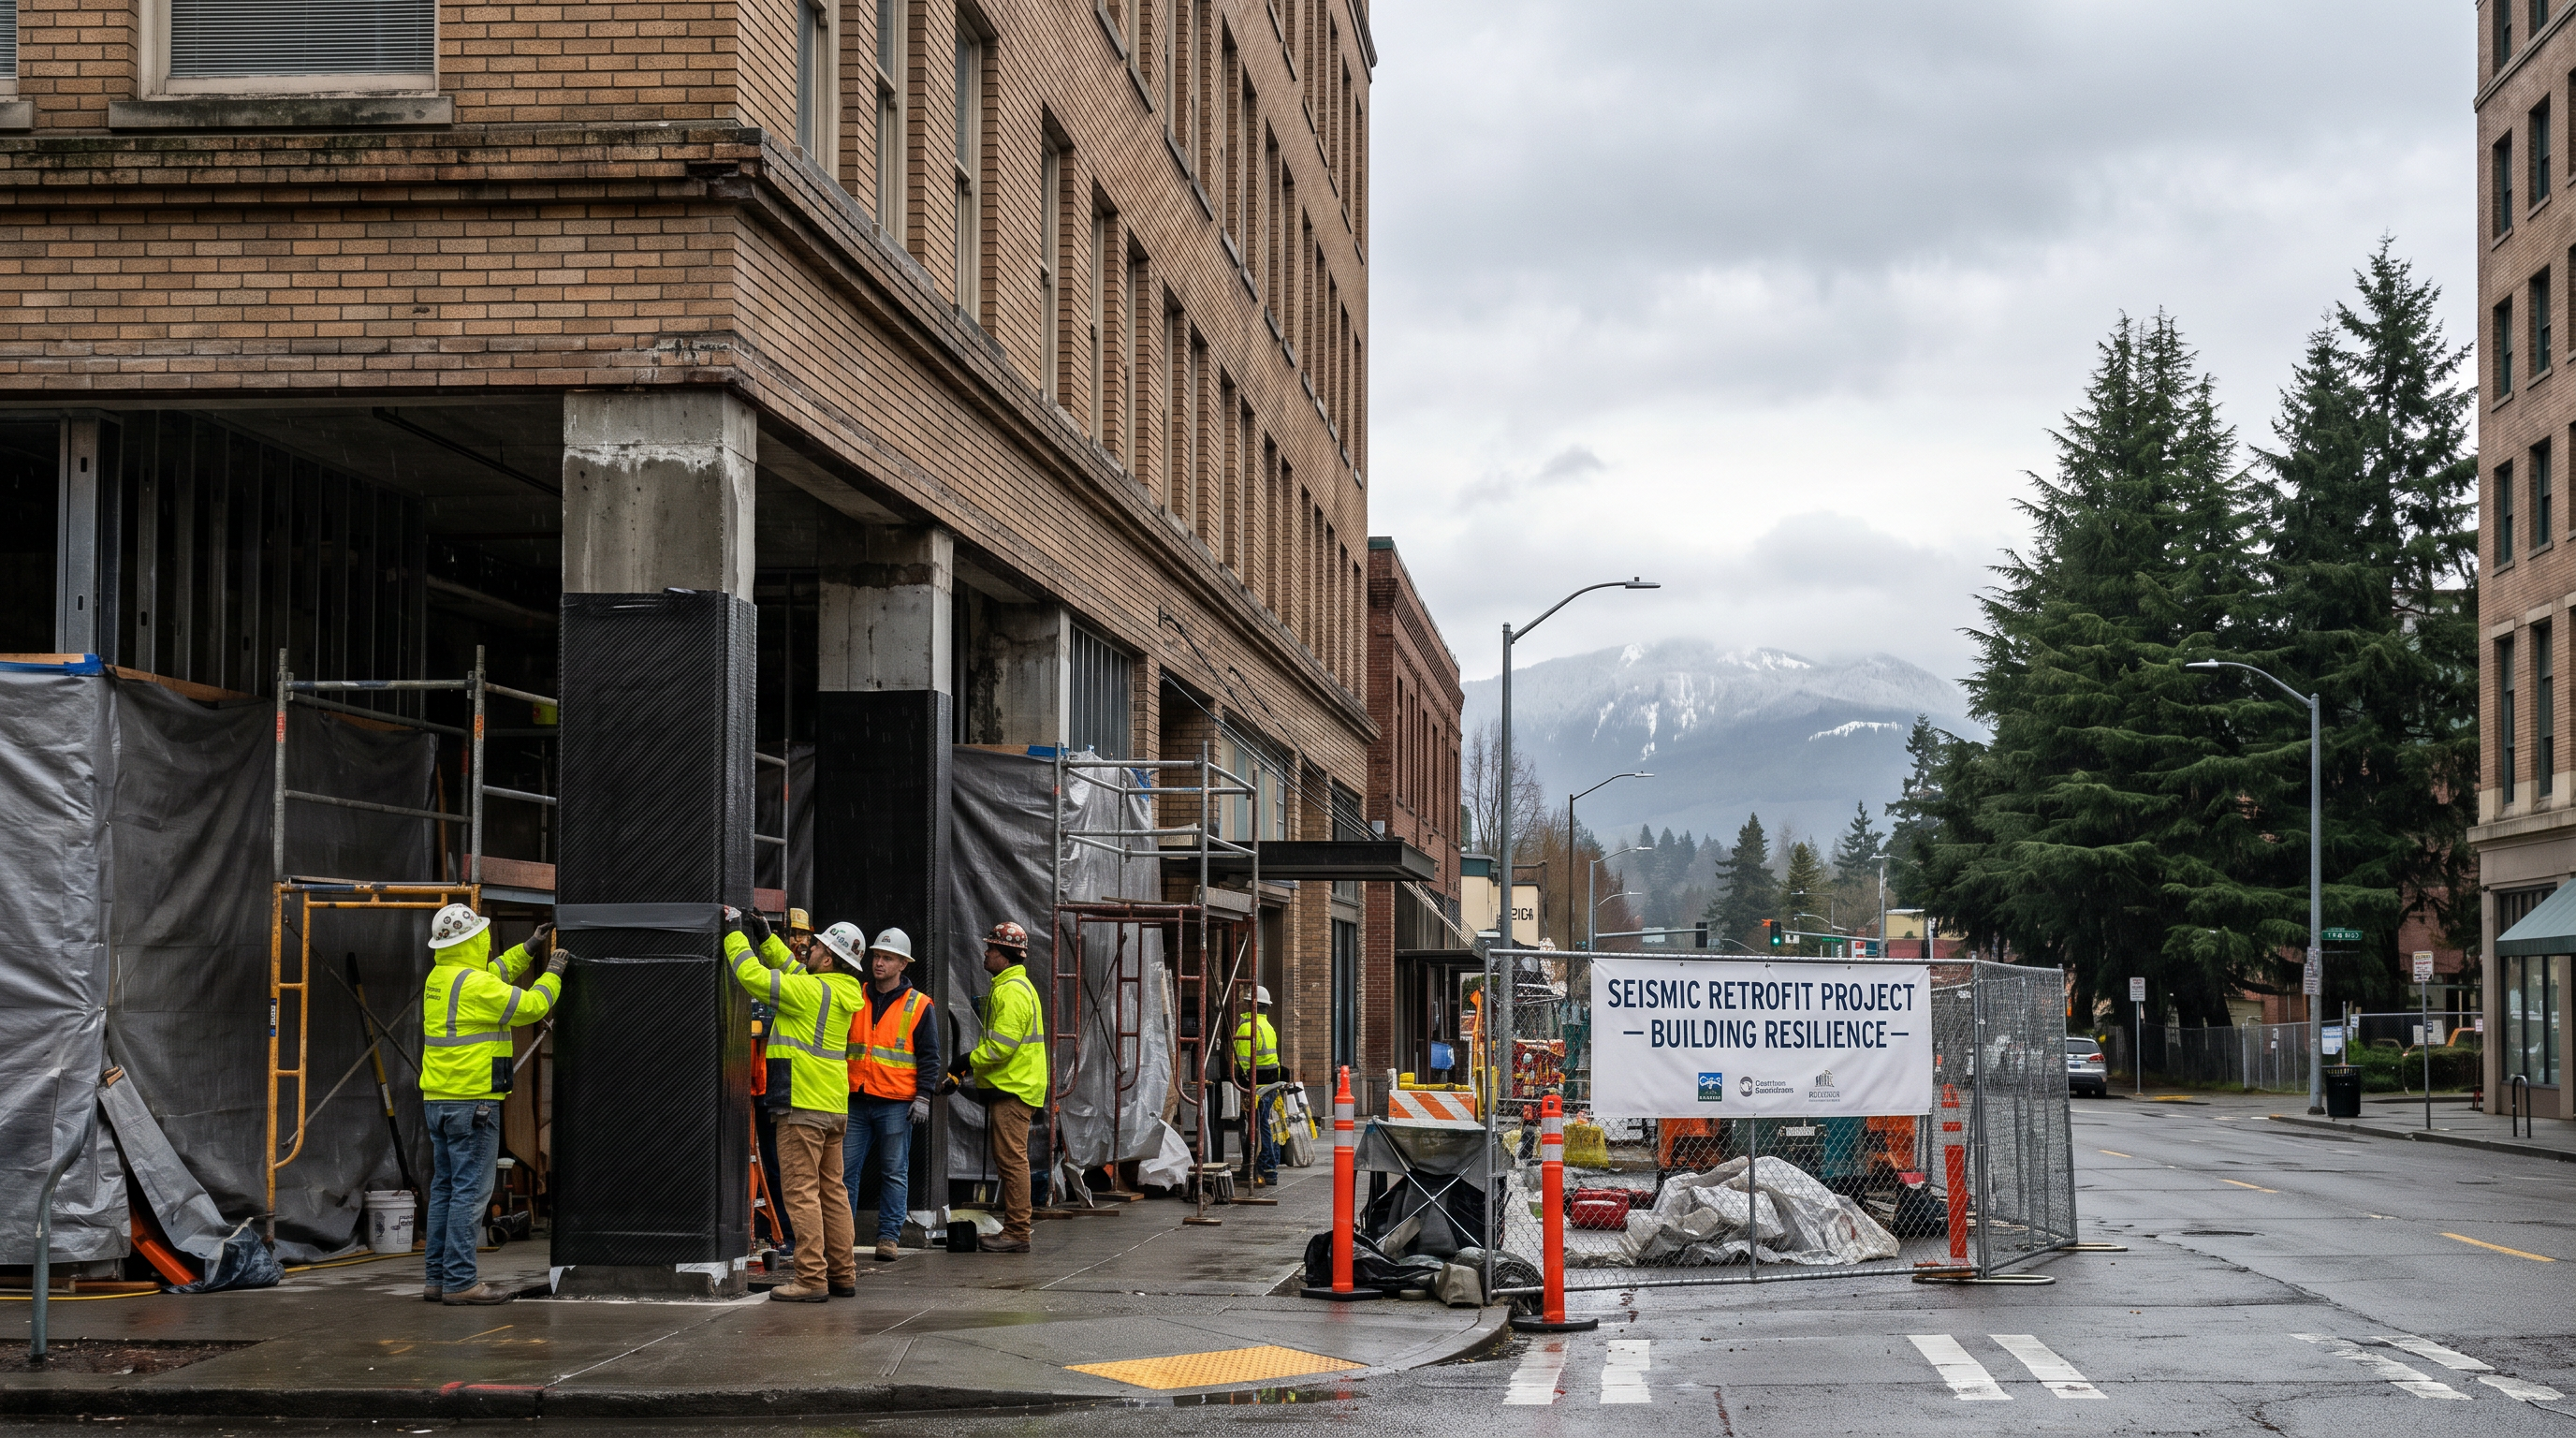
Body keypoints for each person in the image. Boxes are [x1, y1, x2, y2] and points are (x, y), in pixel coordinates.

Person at [418, 904, 564, 1305]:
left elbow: (494, 973)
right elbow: (531, 1007)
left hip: (439, 1101)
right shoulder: (474, 986)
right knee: (470, 1194)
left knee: (446, 1190)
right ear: (475, 939)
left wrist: (530, 947)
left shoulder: (443, 976)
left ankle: (437, 1280)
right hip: (474, 1102)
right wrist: (553, 972)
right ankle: (462, 1283)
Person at [725, 906, 866, 1301]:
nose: (811, 950)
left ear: (830, 958)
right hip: (833, 1106)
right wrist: (767, 940)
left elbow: (752, 977)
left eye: (818, 947)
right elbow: (794, 970)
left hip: (801, 1104)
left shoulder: (809, 992)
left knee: (802, 1193)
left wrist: (734, 934)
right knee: (832, 1193)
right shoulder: (840, 990)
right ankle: (842, 1274)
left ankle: (810, 1279)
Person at [843, 927, 943, 1262]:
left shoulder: (919, 1005)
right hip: (857, 1097)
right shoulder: (855, 995)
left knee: (894, 1171)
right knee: (844, 1171)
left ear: (903, 963)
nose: (879, 962)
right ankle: (843, 1237)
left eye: (887, 957)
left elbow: (930, 1056)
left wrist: (923, 1097)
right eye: (877, 956)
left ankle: (888, 1237)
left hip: (896, 1102)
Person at [950, 920, 1046, 1254]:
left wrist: (965, 1061)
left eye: (991, 948)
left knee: (1012, 1161)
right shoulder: (1011, 987)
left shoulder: (1011, 992)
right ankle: (1017, 1229)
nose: (986, 953)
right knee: (1011, 1159)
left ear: (1005, 956)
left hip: (1013, 1088)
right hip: (1015, 1085)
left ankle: (1018, 1231)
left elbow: (1000, 1047)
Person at [1232, 986, 1285, 1184]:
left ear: (1251, 1005)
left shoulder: (1247, 1027)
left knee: (1260, 1128)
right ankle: (1268, 1168)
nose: (1240, 1005)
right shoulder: (1268, 1026)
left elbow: (1242, 1062)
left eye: (1244, 1002)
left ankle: (1265, 1169)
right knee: (1266, 1125)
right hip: (1269, 1086)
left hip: (1257, 1087)